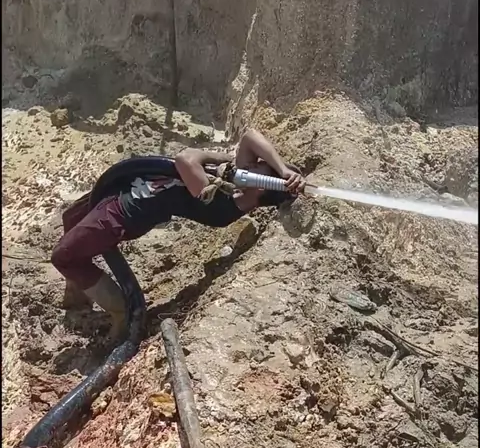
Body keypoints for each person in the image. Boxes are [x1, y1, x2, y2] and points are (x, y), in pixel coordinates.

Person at [51, 129, 305, 335]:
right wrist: (283, 170)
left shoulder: (221, 205)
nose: (246, 165)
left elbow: (186, 158)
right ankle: (78, 292)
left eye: (256, 169)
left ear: (260, 187)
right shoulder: (232, 184)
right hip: (125, 188)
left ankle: (123, 314)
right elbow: (250, 136)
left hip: (122, 213)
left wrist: (218, 160)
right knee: (71, 217)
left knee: (63, 257)